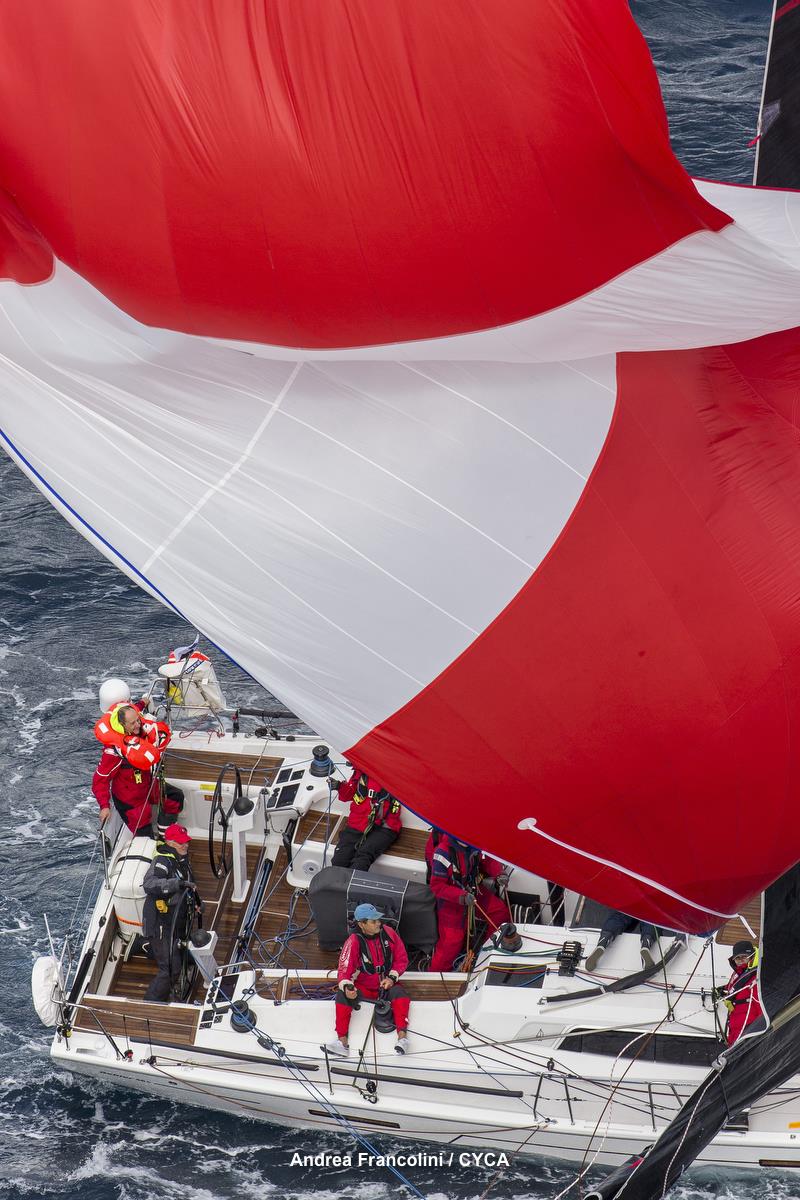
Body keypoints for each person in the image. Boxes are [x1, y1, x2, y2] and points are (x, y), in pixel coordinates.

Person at [326, 903, 410, 1057]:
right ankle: (342, 1042)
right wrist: (347, 988)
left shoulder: (389, 933)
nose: (379, 923)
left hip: (387, 985)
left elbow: (402, 959)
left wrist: (392, 978)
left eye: (378, 920)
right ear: (361, 924)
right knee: (342, 995)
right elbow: (344, 970)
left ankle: (402, 1039)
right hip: (364, 987)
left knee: (400, 994)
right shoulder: (353, 941)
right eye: (373, 921)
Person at [92, 700, 183, 836]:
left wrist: (142, 702)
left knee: (175, 796)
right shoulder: (114, 753)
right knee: (145, 836)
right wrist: (104, 806)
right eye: (133, 723)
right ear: (123, 725)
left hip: (147, 786)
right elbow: (100, 780)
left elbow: (136, 710)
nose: (138, 725)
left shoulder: (137, 729)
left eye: (138, 721)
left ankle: (165, 833)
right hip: (130, 801)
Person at [428, 833, 511, 973]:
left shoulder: (476, 842)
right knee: (450, 943)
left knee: (499, 912)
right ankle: (435, 978)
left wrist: (499, 874)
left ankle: (486, 953)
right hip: (451, 902)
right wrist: (461, 896)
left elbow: (488, 860)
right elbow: (437, 886)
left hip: (473, 892)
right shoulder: (442, 853)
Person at [142, 823, 197, 1002]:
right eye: (181, 842)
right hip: (159, 923)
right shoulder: (163, 862)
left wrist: (198, 903)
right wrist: (176, 884)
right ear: (170, 842)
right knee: (170, 968)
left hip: (175, 918)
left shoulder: (182, 859)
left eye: (186, 841)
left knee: (181, 952)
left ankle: (176, 958)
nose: (185, 845)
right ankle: (151, 1003)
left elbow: (190, 883)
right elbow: (150, 884)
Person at [330, 771, 402, 871]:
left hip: (384, 827)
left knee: (362, 859)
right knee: (339, 860)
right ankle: (335, 885)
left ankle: (352, 885)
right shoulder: (360, 772)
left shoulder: (396, 776)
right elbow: (347, 795)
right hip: (357, 824)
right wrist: (339, 786)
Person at [719, 940, 764, 1045]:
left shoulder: (758, 975)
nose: (740, 960)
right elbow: (733, 988)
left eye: (744, 956)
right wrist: (723, 990)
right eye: (737, 958)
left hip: (749, 1024)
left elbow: (761, 1003)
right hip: (735, 1022)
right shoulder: (738, 973)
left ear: (751, 956)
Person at [585, 911, 659, 972]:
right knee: (651, 918)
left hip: (633, 898)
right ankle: (646, 943)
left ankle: (603, 941)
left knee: (619, 916)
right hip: (650, 900)